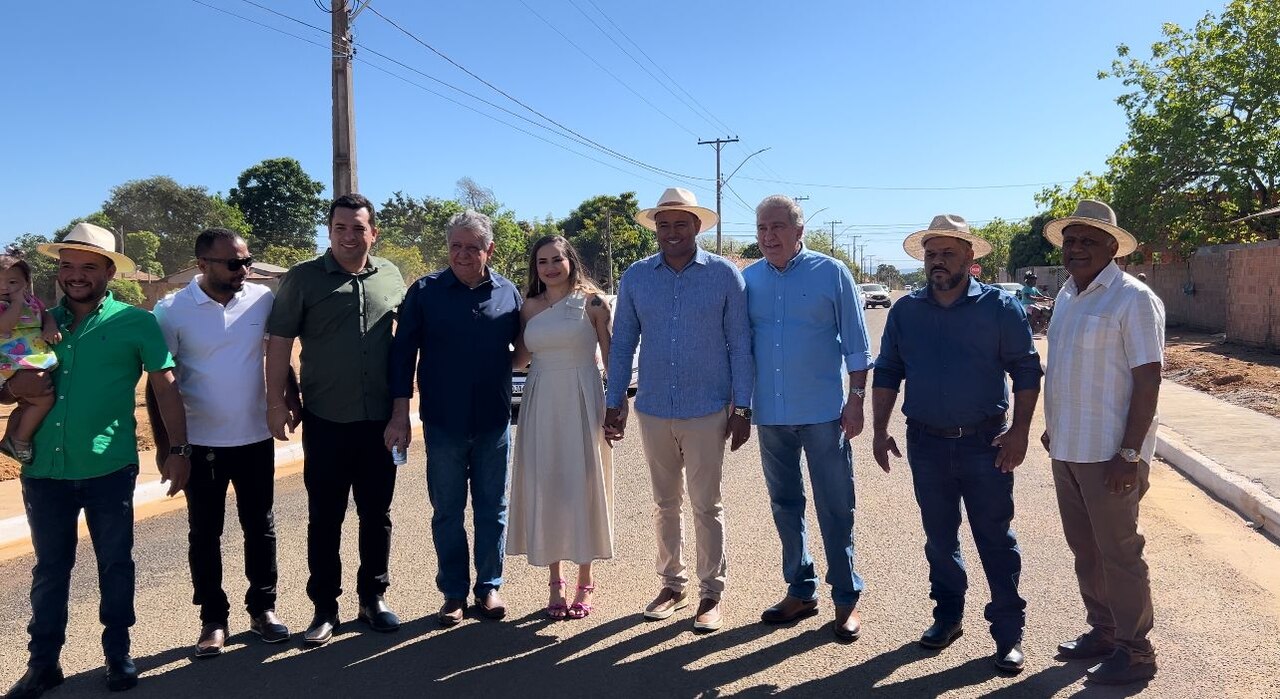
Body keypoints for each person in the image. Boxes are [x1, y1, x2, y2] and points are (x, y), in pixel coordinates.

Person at [4, 222, 191, 698]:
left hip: (109, 466)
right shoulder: (31, 317)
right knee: (50, 569)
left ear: (109, 271)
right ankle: (42, 663)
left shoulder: (136, 323)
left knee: (115, 563)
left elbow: (165, 388)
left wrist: (179, 450)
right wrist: (8, 390)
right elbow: (9, 371)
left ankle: (117, 654)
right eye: (67, 266)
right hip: (44, 468)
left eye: (88, 267)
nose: (76, 275)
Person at [871, 215, 1042, 674]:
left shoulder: (1000, 308)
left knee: (995, 538)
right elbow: (888, 370)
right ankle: (947, 616)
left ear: (970, 258)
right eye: (931, 254)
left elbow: (1026, 371)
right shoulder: (906, 311)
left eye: (948, 253)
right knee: (939, 538)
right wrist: (879, 429)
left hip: (987, 444)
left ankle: (1008, 633)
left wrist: (1020, 433)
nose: (938, 262)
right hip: (926, 443)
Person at [604, 187, 753, 633]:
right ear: (656, 229)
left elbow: (741, 344)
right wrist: (615, 401)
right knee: (664, 503)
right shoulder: (635, 276)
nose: (671, 232)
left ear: (697, 227)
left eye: (680, 224)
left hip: (708, 408)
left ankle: (711, 593)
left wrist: (742, 407)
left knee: (707, 504)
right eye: (663, 224)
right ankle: (673, 583)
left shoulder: (725, 276)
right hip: (652, 407)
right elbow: (623, 342)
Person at [265, 193, 405, 646]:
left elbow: (406, 340)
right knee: (325, 517)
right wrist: (275, 401)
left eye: (358, 228)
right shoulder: (303, 279)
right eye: (340, 227)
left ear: (373, 232)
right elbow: (280, 343)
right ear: (329, 231)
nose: (349, 236)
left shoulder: (391, 275)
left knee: (376, 514)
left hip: (379, 420)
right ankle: (325, 609)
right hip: (325, 419)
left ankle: (373, 598)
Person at [152, 228, 298, 657]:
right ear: (203, 265)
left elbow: (275, 355)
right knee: (205, 533)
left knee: (261, 526)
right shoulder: (171, 311)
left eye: (247, 261)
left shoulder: (262, 300)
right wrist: (169, 449)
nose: (244, 270)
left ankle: (263, 609)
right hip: (202, 444)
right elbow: (159, 384)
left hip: (255, 438)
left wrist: (292, 396)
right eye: (234, 264)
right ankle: (213, 620)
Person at [1040, 200, 1165, 685]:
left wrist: (1130, 454)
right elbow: (1072, 370)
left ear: (1113, 247)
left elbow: (1149, 379)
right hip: (1069, 447)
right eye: (1070, 241)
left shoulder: (1133, 299)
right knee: (1085, 549)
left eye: (1087, 240)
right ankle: (1104, 631)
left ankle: (1136, 651)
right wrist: (1057, 424)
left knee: (1119, 552)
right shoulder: (1069, 295)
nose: (1075, 249)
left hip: (1111, 455)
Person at [744, 196, 871, 641]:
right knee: (785, 505)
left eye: (778, 227)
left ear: (799, 232)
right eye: (762, 228)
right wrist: (742, 407)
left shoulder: (832, 273)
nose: (768, 236)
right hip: (771, 415)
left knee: (836, 507)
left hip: (823, 414)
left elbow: (857, 345)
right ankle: (800, 589)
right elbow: (741, 350)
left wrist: (855, 400)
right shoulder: (749, 280)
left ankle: (846, 599)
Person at [387, 210, 522, 627]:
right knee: (447, 510)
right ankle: (453, 593)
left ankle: (489, 587)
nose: (463, 254)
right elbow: (402, 356)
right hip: (442, 423)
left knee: (492, 509)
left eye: (472, 247)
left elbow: (525, 348)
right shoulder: (425, 292)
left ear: (489, 250)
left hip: (494, 423)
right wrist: (399, 416)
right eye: (456, 246)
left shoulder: (509, 294)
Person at [507, 235, 614, 620]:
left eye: (557, 259)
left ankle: (586, 579)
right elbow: (519, 359)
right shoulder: (529, 307)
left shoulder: (593, 302)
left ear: (570, 260)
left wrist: (616, 408)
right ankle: (555, 580)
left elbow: (611, 358)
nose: (550, 267)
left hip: (582, 397)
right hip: (540, 400)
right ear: (535, 268)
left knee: (583, 483)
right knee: (547, 482)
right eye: (542, 262)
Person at [0, 248, 61, 464]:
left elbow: (44, 315)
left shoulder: (32, 301)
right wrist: (16, 303)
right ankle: (21, 439)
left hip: (30, 357)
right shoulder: (4, 305)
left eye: (13, 282)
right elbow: (4, 326)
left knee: (32, 402)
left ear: (26, 282)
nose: (5, 288)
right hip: (8, 362)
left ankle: (12, 438)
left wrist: (50, 328)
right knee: (43, 399)